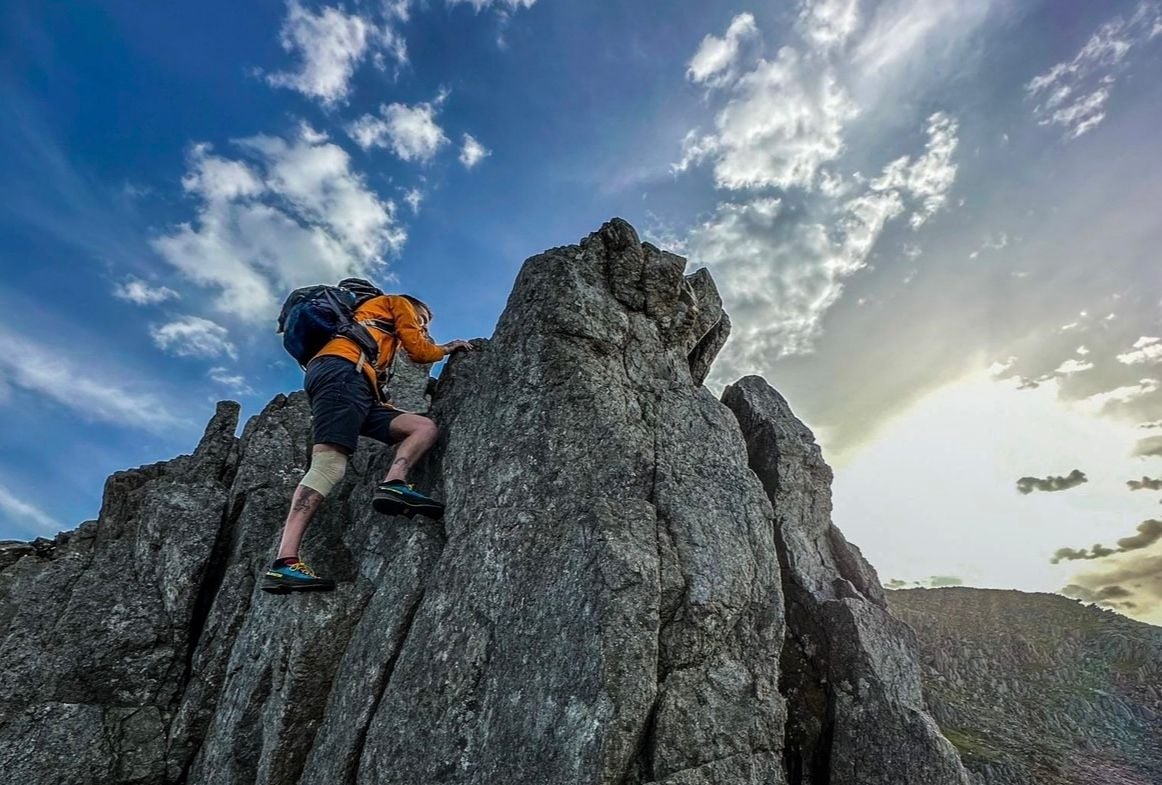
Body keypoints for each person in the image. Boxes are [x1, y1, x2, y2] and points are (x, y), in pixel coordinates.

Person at [262, 278, 472, 593]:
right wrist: (445, 348)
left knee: (422, 427)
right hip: (342, 374)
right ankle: (284, 563)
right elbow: (419, 350)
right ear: (411, 307)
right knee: (329, 464)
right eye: (423, 319)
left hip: (355, 383)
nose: (423, 325)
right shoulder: (395, 302)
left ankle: (395, 484)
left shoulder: (365, 328)